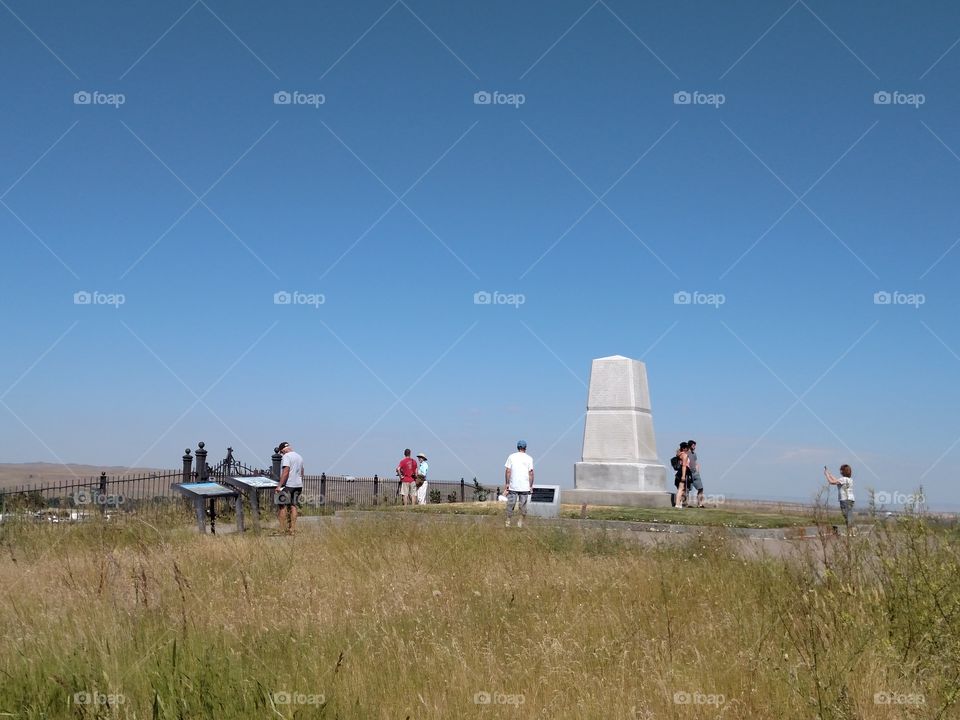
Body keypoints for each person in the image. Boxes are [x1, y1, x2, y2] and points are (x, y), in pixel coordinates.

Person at [274, 442, 304, 534]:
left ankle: (282, 529)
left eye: (281, 452)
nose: (282, 454)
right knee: (293, 506)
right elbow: (302, 472)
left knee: (282, 506)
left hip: (289, 485)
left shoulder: (286, 457)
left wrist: (279, 486)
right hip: (298, 485)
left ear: (283, 449)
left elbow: (285, 472)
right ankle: (292, 529)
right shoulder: (299, 456)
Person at [504, 440, 534, 527]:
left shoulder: (511, 456)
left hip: (513, 485)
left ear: (517, 447)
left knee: (511, 504)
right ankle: (520, 523)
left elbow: (508, 471)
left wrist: (507, 483)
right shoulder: (529, 458)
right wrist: (531, 485)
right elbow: (531, 473)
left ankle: (508, 522)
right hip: (525, 486)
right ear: (525, 448)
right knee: (523, 506)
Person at [824, 464, 854, 528]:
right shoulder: (850, 480)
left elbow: (832, 482)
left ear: (843, 471)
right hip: (851, 500)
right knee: (849, 516)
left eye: (841, 470)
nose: (840, 472)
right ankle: (850, 530)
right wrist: (830, 474)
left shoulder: (842, 479)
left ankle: (850, 531)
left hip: (844, 500)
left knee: (846, 516)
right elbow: (836, 480)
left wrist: (826, 475)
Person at [687, 439, 705, 508]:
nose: (695, 447)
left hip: (695, 473)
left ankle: (700, 504)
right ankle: (686, 504)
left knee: (701, 488)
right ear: (690, 445)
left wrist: (698, 471)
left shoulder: (694, 454)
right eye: (694, 445)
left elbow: (696, 463)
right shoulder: (686, 453)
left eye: (695, 445)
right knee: (687, 489)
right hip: (688, 474)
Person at [671, 442, 690, 508]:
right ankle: (677, 504)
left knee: (681, 489)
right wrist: (683, 476)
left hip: (679, 472)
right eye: (687, 448)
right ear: (684, 448)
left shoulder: (679, 454)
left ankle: (679, 503)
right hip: (683, 472)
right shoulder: (684, 455)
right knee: (681, 488)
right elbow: (684, 466)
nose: (688, 449)